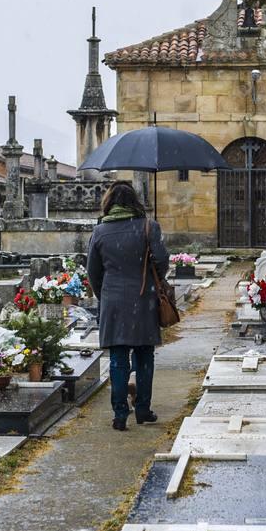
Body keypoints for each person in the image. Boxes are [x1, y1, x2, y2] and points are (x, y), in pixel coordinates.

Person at [86, 180, 170, 431]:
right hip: (144, 298)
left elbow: (93, 271)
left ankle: (120, 414)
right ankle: (143, 409)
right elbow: (162, 261)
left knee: (118, 359)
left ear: (109, 203)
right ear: (135, 202)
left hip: (113, 300)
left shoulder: (100, 232)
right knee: (145, 356)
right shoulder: (148, 227)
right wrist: (152, 278)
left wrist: (106, 294)